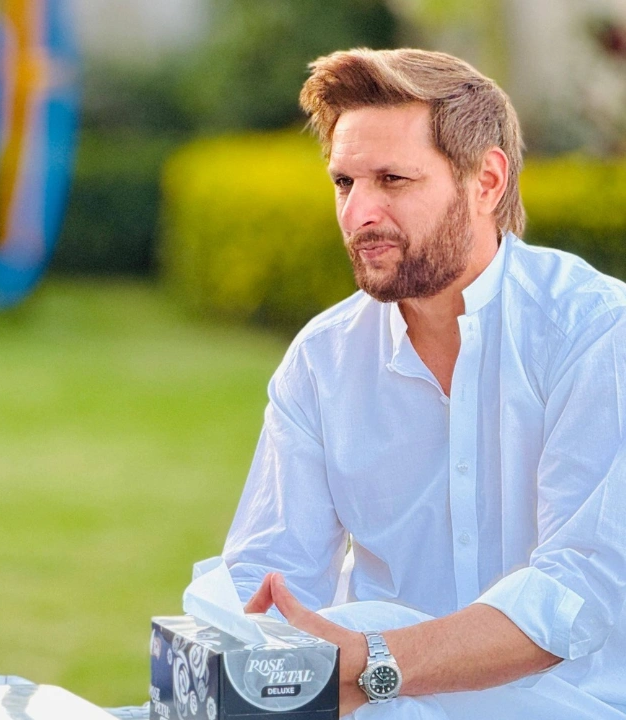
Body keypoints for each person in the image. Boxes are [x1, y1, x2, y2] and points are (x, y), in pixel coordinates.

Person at [191, 48, 626, 719]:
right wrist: (252, 655)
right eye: (344, 183)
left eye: (392, 180)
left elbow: (579, 592)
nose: (359, 213)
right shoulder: (323, 360)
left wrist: (373, 661)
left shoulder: (594, 332)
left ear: (486, 182)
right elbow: (268, 579)